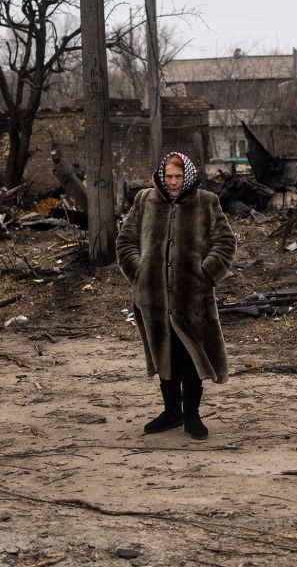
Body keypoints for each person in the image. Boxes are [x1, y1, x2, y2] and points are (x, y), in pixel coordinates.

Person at [116, 152, 236, 439]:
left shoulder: (206, 202)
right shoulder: (145, 200)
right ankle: (172, 411)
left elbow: (225, 243)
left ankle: (192, 415)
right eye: (168, 176)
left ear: (189, 176)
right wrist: (139, 272)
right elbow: (125, 241)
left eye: (178, 177)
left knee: (190, 357)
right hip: (153, 296)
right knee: (163, 353)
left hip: (190, 298)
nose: (172, 182)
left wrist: (204, 274)